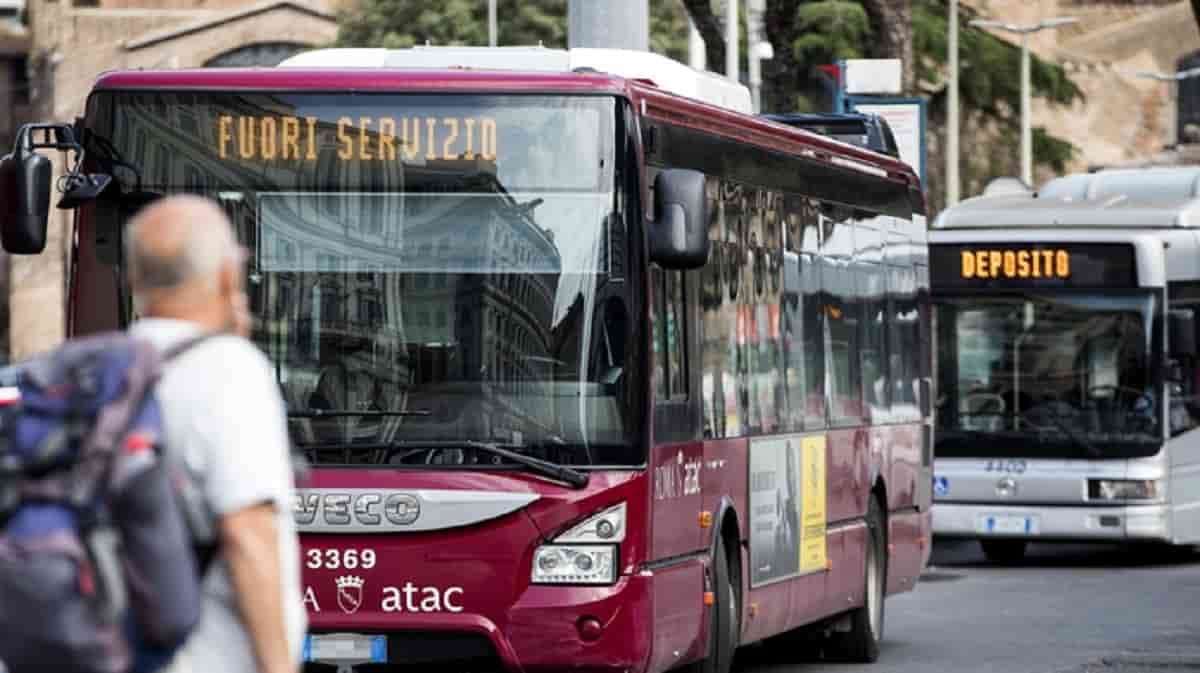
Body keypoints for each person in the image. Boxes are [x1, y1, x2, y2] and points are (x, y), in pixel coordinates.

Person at [123, 195, 305, 673]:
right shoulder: (228, 369)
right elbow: (247, 533)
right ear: (227, 275)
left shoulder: (113, 366)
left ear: (135, 281)